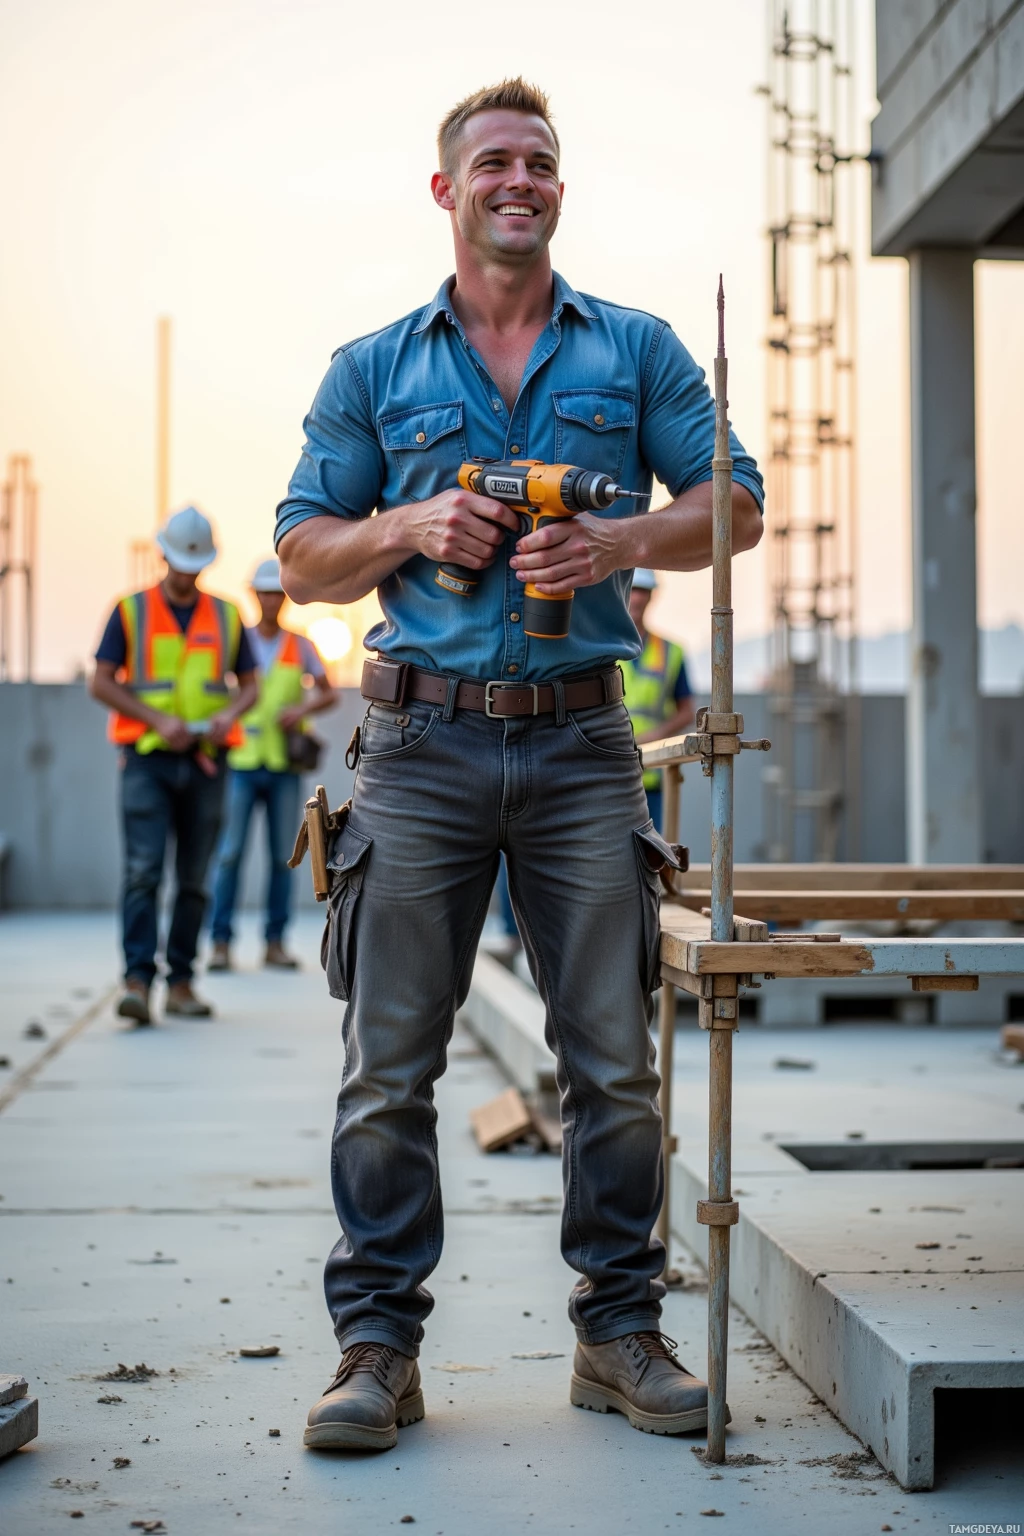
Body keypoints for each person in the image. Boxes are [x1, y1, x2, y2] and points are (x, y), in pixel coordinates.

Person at [276, 78, 764, 1452]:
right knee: (388, 1068)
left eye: (540, 163)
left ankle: (619, 1335)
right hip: (419, 749)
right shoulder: (375, 367)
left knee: (615, 1063)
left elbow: (737, 507)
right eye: (492, 161)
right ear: (447, 190)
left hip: (581, 748)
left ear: (560, 188)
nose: (519, 180)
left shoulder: (640, 352)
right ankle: (377, 1351)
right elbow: (304, 552)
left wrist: (615, 545)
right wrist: (412, 522)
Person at [89, 507, 258, 1025]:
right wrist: (156, 721)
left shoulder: (227, 617)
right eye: (182, 563)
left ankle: (181, 982)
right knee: (142, 872)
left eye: (196, 565)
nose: (188, 573)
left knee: (194, 878)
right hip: (147, 761)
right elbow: (101, 681)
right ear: (162, 555)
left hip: (207, 762)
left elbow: (248, 687)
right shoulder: (130, 612)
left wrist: (223, 717)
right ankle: (137, 980)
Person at [208, 557, 336, 971]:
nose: (269, 600)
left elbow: (328, 692)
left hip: (283, 764)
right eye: (263, 592)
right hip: (242, 761)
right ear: (253, 595)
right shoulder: (235, 642)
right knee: (229, 855)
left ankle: (275, 941)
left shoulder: (300, 645)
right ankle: (221, 942)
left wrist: (301, 709)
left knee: (284, 855)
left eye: (275, 593)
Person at [621, 569, 695, 831]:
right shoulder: (600, 650)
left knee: (651, 857)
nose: (636, 598)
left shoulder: (671, 652)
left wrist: (655, 736)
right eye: (632, 589)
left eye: (642, 590)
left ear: (651, 596)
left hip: (652, 774)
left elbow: (687, 711)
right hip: (606, 771)